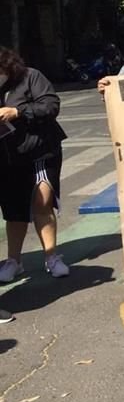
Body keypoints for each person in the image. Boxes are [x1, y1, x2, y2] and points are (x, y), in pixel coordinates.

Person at [0, 46, 70, 283]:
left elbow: (51, 105)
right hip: (8, 156)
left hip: (41, 149)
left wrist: (17, 112)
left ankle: (52, 257)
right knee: (14, 210)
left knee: (43, 201)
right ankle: (13, 261)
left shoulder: (31, 76)